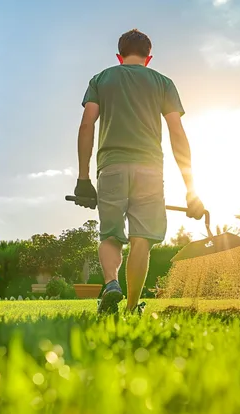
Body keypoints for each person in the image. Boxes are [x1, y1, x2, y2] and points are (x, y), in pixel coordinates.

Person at [74, 29, 205, 314]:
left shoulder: (101, 79)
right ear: (149, 58)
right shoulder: (162, 82)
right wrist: (190, 188)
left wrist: (83, 179)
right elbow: (177, 133)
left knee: (110, 235)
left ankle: (111, 284)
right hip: (149, 170)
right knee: (141, 239)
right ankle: (132, 307)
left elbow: (87, 126)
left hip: (111, 168)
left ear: (119, 55)